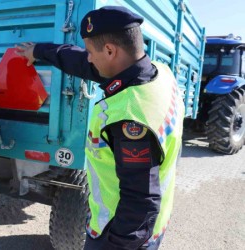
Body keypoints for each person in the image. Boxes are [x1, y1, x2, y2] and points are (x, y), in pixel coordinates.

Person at [16, 6, 184, 250]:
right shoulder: (160, 74)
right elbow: (81, 63)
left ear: (110, 50)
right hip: (153, 227)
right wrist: (39, 51)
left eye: (90, 51)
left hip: (121, 235)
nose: (89, 58)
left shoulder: (130, 118)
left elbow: (139, 203)